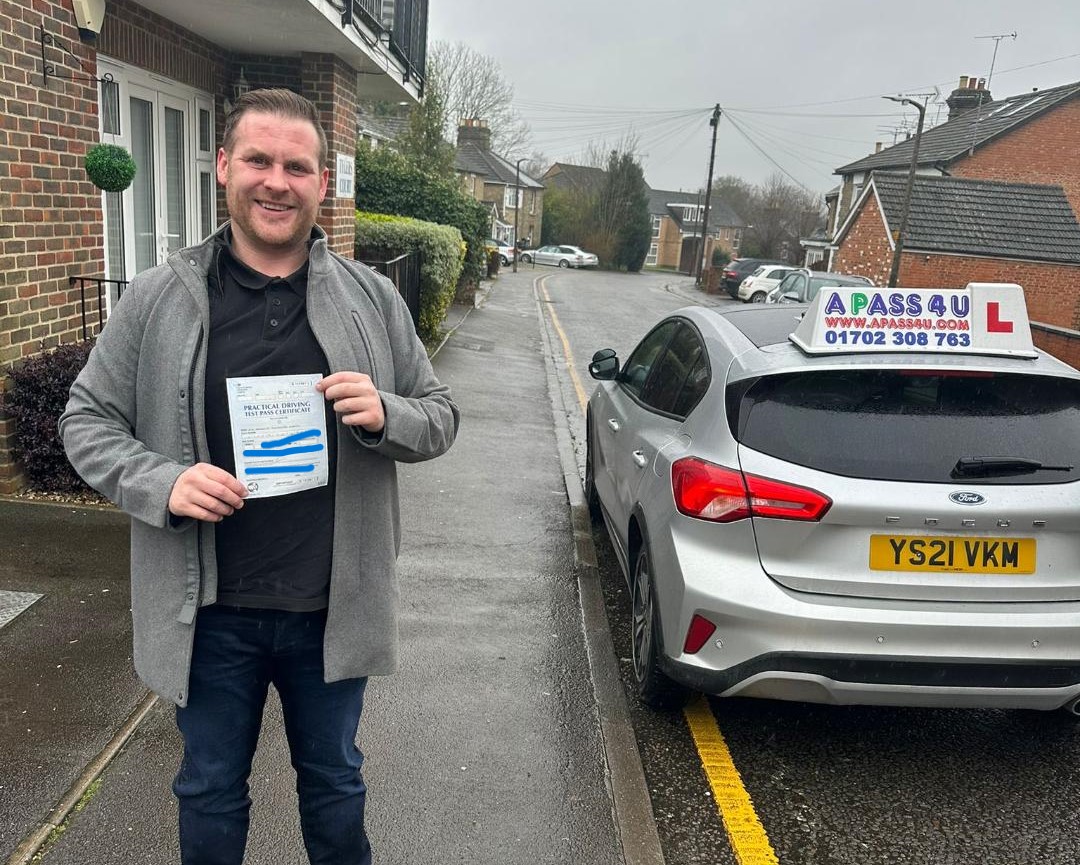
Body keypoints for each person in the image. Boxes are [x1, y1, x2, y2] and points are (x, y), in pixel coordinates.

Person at [61, 88, 459, 865]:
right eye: (258, 160)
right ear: (223, 167)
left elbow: (439, 414)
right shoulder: (159, 297)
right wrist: (161, 482)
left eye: (297, 166)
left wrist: (386, 412)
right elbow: (85, 420)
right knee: (209, 788)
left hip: (330, 608)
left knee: (335, 784)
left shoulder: (370, 298)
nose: (276, 181)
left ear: (322, 184)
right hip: (208, 612)